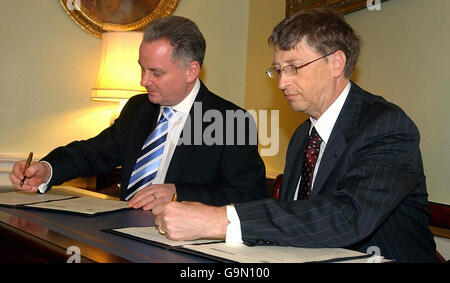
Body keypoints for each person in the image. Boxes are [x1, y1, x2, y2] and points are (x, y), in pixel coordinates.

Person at [151, 8, 437, 263]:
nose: (283, 82)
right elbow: (294, 218)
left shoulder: (386, 125)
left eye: (294, 68)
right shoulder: (303, 135)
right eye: (278, 70)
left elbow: (348, 216)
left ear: (336, 63)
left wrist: (220, 220)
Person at [9, 16, 267, 209]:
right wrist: (47, 168)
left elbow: (248, 195)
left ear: (192, 70)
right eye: (141, 68)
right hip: (123, 233)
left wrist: (177, 193)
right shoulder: (137, 109)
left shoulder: (230, 121)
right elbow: (92, 153)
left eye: (156, 72)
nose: (144, 81)